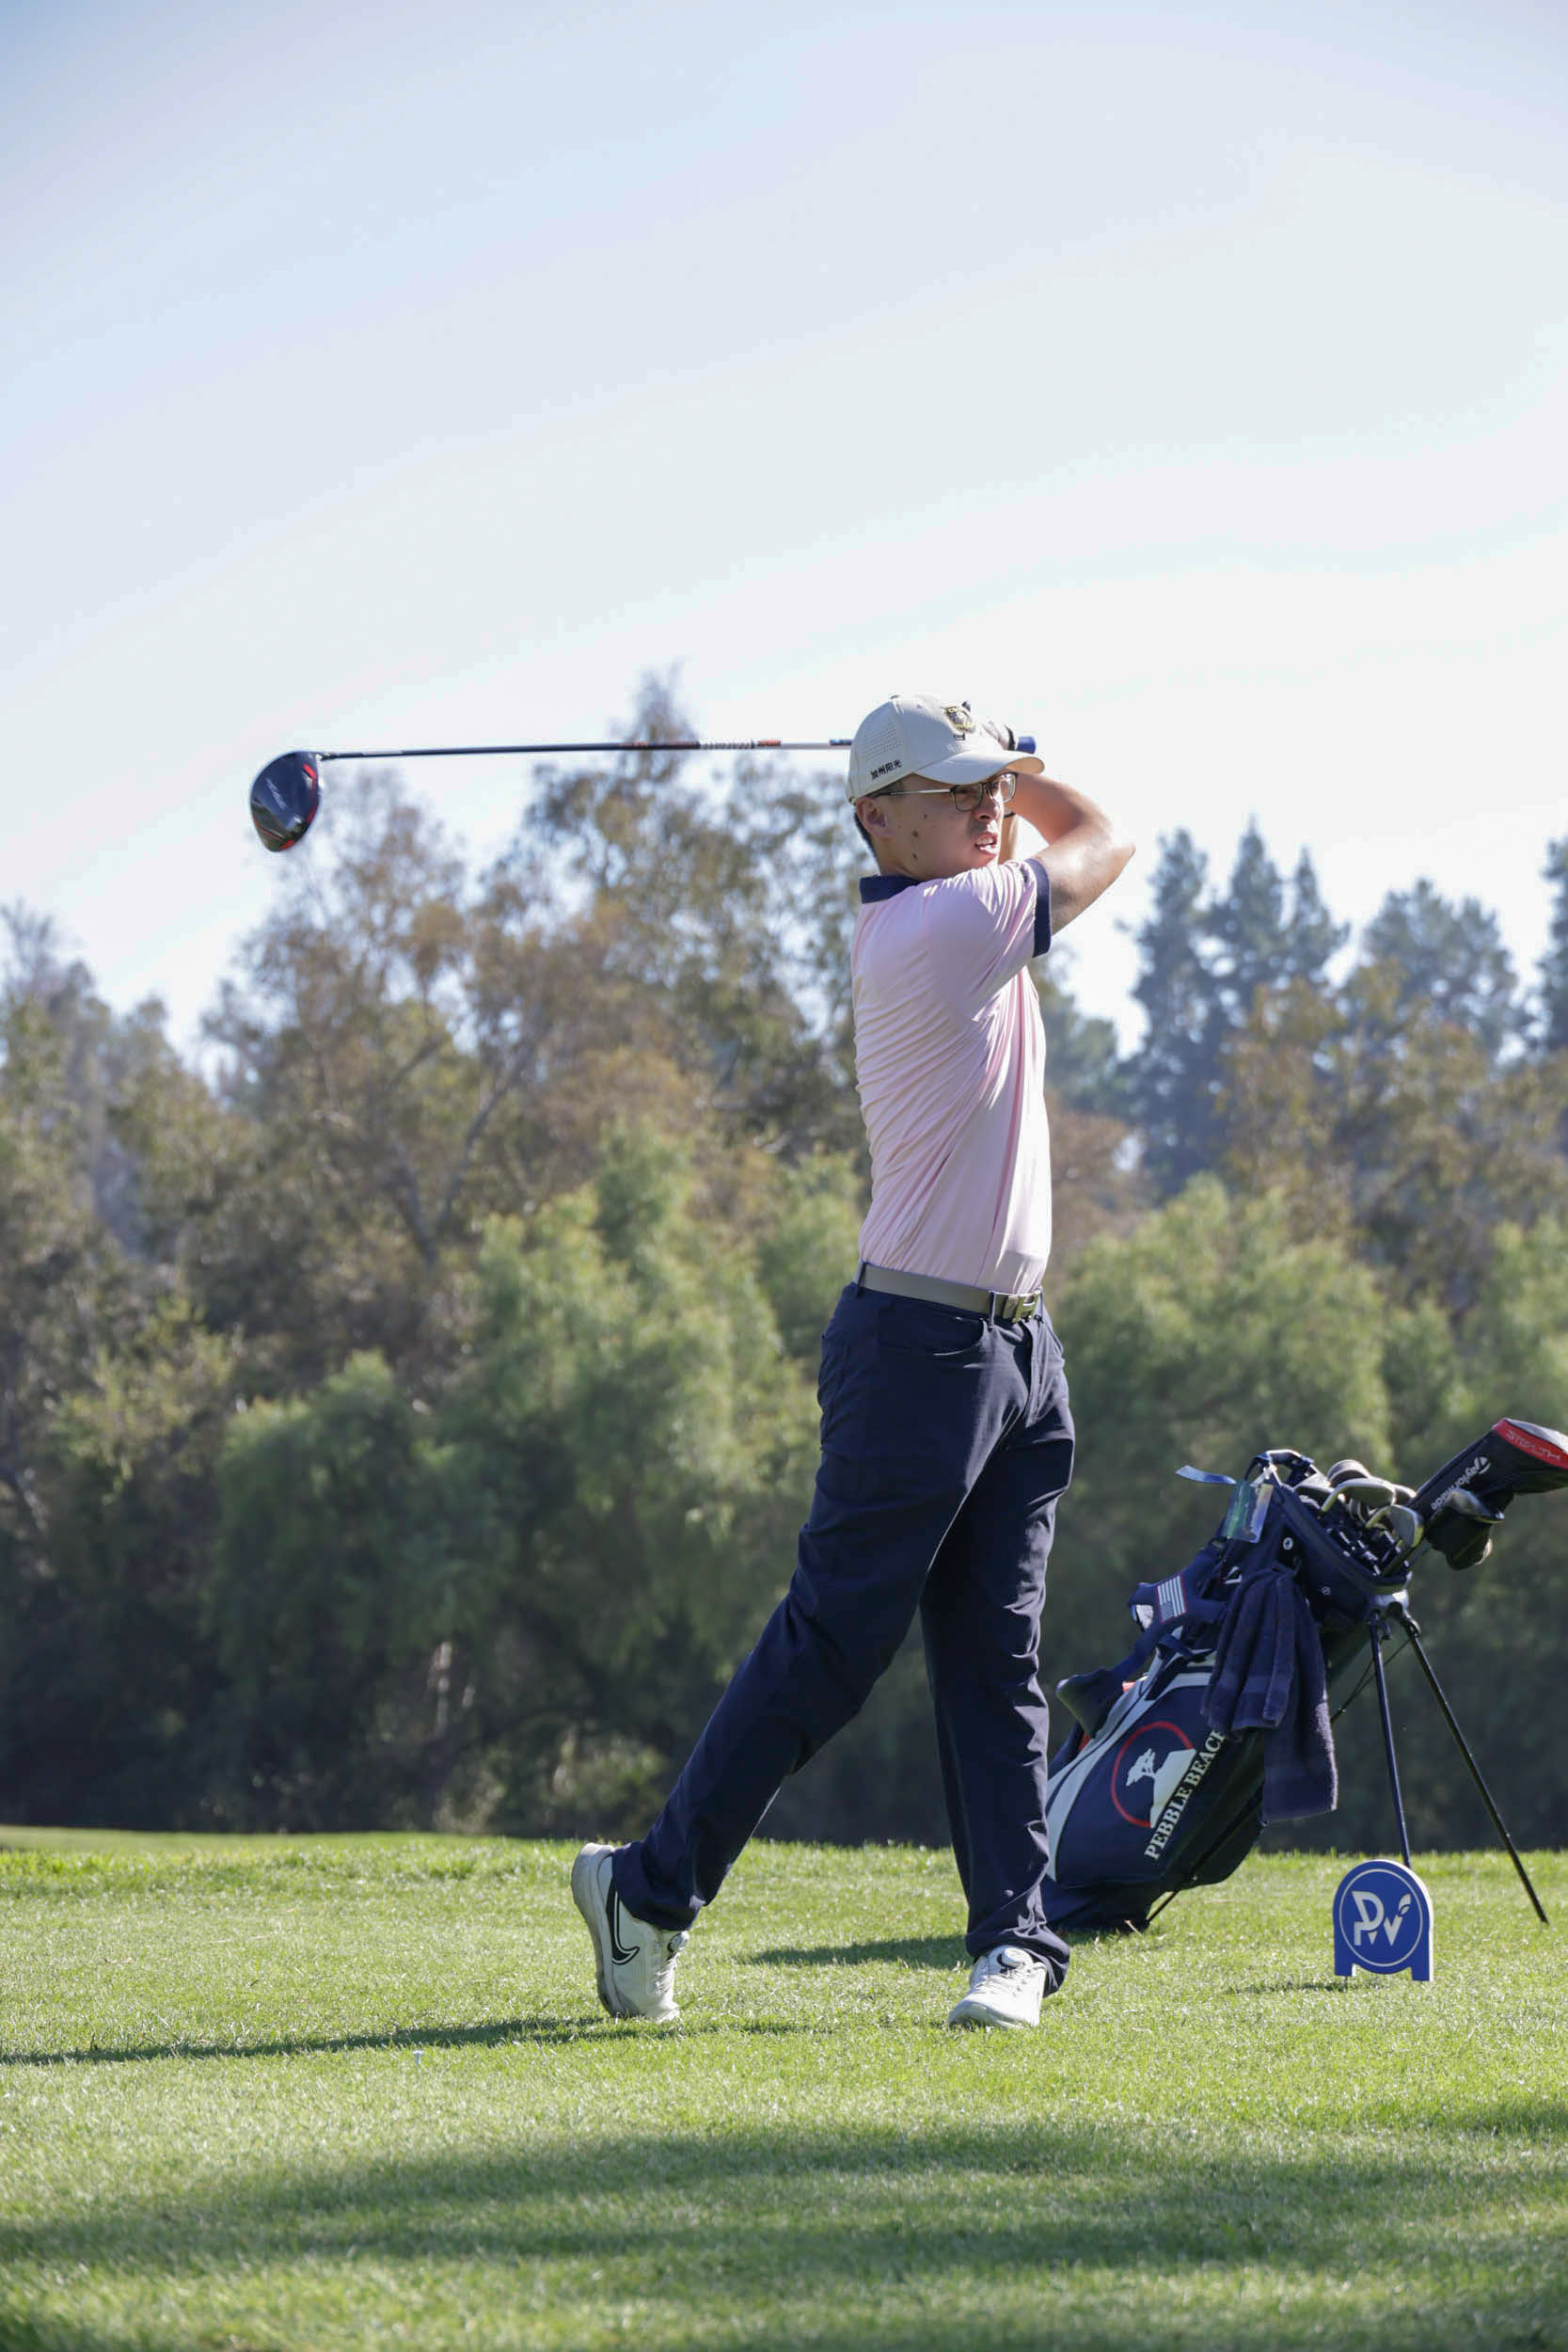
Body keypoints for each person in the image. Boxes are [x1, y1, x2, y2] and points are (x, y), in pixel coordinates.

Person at [573, 691, 1135, 2029]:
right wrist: (1034, 770)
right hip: (920, 1352)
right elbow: (1106, 838)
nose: (989, 808)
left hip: (1019, 1350)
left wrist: (991, 772)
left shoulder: (963, 898)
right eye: (958, 792)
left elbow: (1040, 834)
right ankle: (646, 1894)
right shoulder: (939, 928)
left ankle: (1014, 1948)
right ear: (879, 818)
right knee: (832, 1650)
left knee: (997, 1663)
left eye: (989, 789)